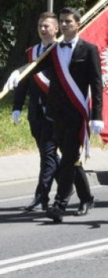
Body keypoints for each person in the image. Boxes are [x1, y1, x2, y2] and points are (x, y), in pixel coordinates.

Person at [43, 7, 104, 223]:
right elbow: (35, 68)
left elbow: (97, 84)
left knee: (68, 157)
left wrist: (97, 115)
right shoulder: (54, 49)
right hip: (57, 113)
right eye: (62, 21)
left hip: (78, 113)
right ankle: (87, 197)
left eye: (68, 21)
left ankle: (59, 204)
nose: (64, 24)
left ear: (78, 23)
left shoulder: (89, 49)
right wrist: (18, 75)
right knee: (71, 157)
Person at [11, 12, 59, 212]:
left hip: (55, 112)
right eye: (40, 25)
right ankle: (77, 180)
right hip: (36, 112)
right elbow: (22, 83)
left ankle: (42, 196)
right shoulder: (31, 52)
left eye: (47, 25)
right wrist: (16, 107)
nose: (43, 29)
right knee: (47, 155)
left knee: (48, 155)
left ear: (56, 28)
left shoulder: (59, 50)